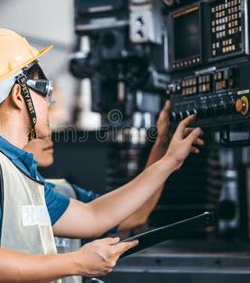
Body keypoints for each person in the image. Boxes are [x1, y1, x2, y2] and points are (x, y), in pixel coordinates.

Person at [0, 28, 204, 282]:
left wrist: (169, 161)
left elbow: (94, 216)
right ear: (18, 96)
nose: (50, 100)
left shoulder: (21, 175)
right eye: (44, 90)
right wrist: (77, 262)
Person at [23, 100, 198, 233]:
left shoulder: (64, 192)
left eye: (48, 125)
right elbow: (94, 217)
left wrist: (162, 144)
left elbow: (134, 214)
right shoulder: (20, 195)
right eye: (38, 128)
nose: (48, 134)